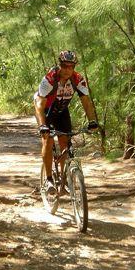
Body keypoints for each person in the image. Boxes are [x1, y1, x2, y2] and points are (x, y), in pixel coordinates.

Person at [34, 50, 99, 196]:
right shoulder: (50, 79)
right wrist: (42, 125)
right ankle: (49, 180)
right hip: (46, 110)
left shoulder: (78, 79)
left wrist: (92, 121)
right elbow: (39, 103)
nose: (67, 70)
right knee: (48, 140)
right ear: (60, 65)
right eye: (64, 66)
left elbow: (86, 102)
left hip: (62, 111)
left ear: (74, 67)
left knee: (65, 142)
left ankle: (64, 181)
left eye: (71, 67)